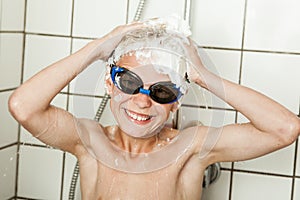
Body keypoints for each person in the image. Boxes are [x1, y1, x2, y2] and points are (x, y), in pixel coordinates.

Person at [8, 17, 300, 200]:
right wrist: (98, 48)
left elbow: (285, 128)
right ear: (110, 84)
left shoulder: (190, 149)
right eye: (129, 82)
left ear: (176, 102)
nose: (142, 100)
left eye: (161, 91)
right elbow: (23, 107)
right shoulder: (90, 141)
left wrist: (202, 75)